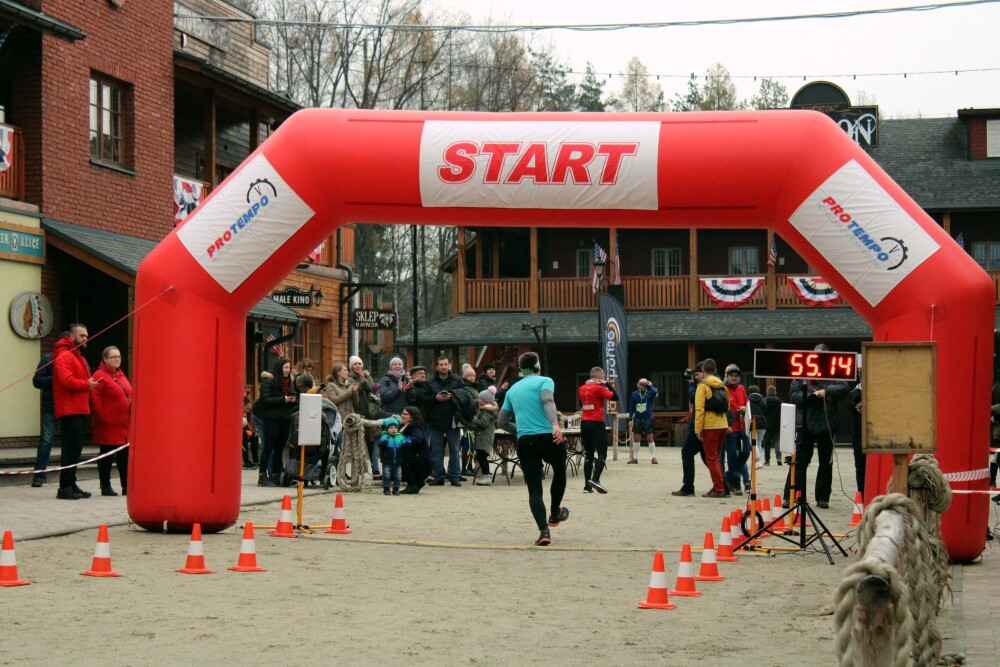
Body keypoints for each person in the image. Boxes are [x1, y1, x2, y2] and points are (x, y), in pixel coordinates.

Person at [497, 351, 569, 546]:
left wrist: (520, 430)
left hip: (525, 441)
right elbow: (548, 401)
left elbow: (502, 421)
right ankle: (555, 513)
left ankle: (543, 531)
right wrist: (555, 426)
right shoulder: (545, 381)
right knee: (560, 470)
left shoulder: (512, 389)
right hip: (548, 436)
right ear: (537, 366)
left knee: (534, 489)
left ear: (521, 369)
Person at [782, 346, 850, 509]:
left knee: (826, 462)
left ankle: (822, 497)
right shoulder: (803, 372)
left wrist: (826, 392)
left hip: (828, 425)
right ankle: (791, 495)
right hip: (806, 424)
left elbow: (844, 389)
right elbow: (793, 395)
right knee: (799, 461)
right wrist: (811, 396)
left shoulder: (836, 372)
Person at [52, 324, 99, 500]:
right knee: (71, 449)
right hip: (70, 409)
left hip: (79, 407)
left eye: (86, 336)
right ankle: (65, 486)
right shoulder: (65, 355)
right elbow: (66, 381)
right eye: (81, 335)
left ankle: (71, 483)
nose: (85, 339)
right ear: (71, 337)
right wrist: (87, 384)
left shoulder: (77, 356)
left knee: (75, 448)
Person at [408, 356, 466, 487]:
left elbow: (464, 394)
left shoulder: (457, 380)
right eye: (441, 365)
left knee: (454, 449)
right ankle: (438, 476)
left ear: (449, 366)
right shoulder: (430, 381)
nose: (444, 367)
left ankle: (454, 476)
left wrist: (452, 396)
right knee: (436, 451)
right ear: (437, 367)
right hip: (435, 420)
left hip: (453, 419)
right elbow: (423, 398)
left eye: (446, 364)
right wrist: (435, 398)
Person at [90, 345, 131, 496]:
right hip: (108, 423)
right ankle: (105, 485)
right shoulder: (100, 375)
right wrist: (103, 415)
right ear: (105, 359)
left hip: (124, 424)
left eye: (119, 357)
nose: (117, 359)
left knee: (124, 456)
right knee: (106, 455)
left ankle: (126, 485)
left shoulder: (120, 375)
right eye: (114, 357)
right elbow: (95, 397)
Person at [253, 358, 297, 487]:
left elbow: (290, 400)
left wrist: (293, 400)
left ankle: (276, 474)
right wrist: (283, 400)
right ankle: (262, 475)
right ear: (279, 369)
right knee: (269, 447)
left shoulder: (290, 382)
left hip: (284, 417)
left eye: (289, 368)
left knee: (280, 448)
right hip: (270, 417)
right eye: (285, 368)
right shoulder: (269, 381)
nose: (288, 370)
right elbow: (266, 400)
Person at [578, 367, 617, 494]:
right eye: (603, 377)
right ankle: (595, 479)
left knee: (588, 453)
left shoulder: (581, 388)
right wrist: (607, 384)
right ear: (600, 377)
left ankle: (587, 487)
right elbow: (615, 397)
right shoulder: (599, 388)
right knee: (602, 452)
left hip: (584, 422)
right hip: (596, 421)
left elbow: (581, 404)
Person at [693, 358, 729, 498]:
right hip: (722, 423)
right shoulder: (722, 386)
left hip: (709, 425)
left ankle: (719, 488)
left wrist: (698, 429)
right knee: (717, 458)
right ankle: (719, 485)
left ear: (702, 370)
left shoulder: (702, 386)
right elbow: (728, 405)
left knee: (711, 458)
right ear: (715, 370)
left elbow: (699, 409)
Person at [672, 362, 706, 497]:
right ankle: (722, 485)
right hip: (710, 425)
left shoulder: (702, 386)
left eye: (697, 374)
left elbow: (694, 399)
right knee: (709, 458)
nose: (695, 377)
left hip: (699, 425)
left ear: (704, 371)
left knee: (687, 453)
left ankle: (688, 487)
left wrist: (692, 384)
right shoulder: (718, 383)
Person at [348, 355, 382, 480]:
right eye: (355, 364)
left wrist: (364, 381)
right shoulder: (348, 378)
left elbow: (371, 390)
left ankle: (376, 469)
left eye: (359, 364)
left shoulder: (367, 377)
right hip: (356, 413)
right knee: (359, 444)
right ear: (351, 366)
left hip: (370, 413)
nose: (357, 366)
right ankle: (358, 471)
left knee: (373, 442)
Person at [721, 364, 751, 495]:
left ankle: (727, 476)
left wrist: (745, 408)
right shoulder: (722, 389)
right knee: (732, 455)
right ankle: (736, 484)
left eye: (736, 376)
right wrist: (725, 425)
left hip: (742, 426)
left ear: (739, 377)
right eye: (731, 376)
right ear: (726, 376)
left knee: (746, 451)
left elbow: (747, 403)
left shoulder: (742, 389)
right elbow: (721, 408)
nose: (733, 378)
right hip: (729, 428)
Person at [30, 349, 57, 488]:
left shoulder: (78, 359)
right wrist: (55, 378)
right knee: (46, 440)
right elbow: (37, 381)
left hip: (70, 406)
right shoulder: (48, 359)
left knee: (72, 442)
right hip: (50, 406)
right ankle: (39, 476)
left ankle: (69, 478)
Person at [399, 405, 433, 494]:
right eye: (402, 413)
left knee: (402, 456)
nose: (402, 415)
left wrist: (408, 440)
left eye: (405, 414)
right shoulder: (403, 428)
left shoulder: (417, 429)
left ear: (412, 417)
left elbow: (417, 439)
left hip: (424, 464)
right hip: (416, 461)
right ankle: (417, 483)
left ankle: (412, 484)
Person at [470, 389, 499, 485]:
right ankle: (486, 475)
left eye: (479, 398)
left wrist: (473, 419)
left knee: (482, 456)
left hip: (484, 436)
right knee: (481, 456)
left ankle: (486, 475)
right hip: (482, 436)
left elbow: (483, 423)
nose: (478, 400)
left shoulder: (486, 411)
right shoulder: (485, 409)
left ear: (484, 401)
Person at [627, 378, 658, 464]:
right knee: (636, 438)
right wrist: (630, 419)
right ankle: (635, 458)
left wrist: (649, 385)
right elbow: (631, 407)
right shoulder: (635, 394)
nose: (641, 385)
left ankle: (653, 457)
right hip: (637, 418)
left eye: (643, 384)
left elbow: (655, 392)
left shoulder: (650, 393)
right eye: (640, 383)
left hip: (647, 418)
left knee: (650, 438)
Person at [377, 417, 406, 495]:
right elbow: (380, 445)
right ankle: (386, 489)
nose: (394, 429)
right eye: (391, 428)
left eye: (395, 428)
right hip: (387, 461)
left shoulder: (400, 437)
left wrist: (407, 443)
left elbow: (405, 446)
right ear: (387, 429)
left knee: (398, 476)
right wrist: (384, 442)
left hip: (398, 461)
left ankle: (396, 489)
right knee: (386, 475)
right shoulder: (384, 437)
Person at [850, 374, 865, 493]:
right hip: (859, 434)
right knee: (860, 467)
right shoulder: (855, 392)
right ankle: (861, 493)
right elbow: (850, 405)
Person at [747, 384, 768, 470]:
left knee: (752, 442)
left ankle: (758, 460)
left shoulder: (748, 400)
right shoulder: (763, 400)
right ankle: (757, 461)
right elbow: (766, 411)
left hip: (753, 423)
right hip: (762, 423)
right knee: (758, 442)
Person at [761, 385, 783, 466]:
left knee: (767, 443)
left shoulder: (764, 401)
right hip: (777, 424)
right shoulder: (779, 401)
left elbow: (762, 412)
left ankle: (767, 461)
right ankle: (779, 458)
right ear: (775, 392)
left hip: (767, 424)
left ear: (767, 392)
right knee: (777, 441)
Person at [242, 395, 260, 469]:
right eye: (247, 408)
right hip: (239, 435)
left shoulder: (243, 415)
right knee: (244, 436)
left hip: (243, 431)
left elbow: (248, 428)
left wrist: (253, 433)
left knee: (254, 435)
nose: (248, 411)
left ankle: (256, 460)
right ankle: (246, 462)